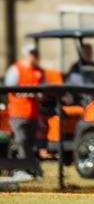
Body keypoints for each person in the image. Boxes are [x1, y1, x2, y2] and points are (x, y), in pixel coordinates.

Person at [4, 43, 44, 181]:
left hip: (33, 113)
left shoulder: (39, 71)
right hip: (17, 113)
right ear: (26, 54)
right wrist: (27, 93)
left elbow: (43, 91)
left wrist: (38, 95)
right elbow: (10, 89)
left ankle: (30, 169)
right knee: (21, 141)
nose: (34, 56)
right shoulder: (16, 69)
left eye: (35, 53)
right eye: (31, 53)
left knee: (30, 144)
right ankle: (21, 169)